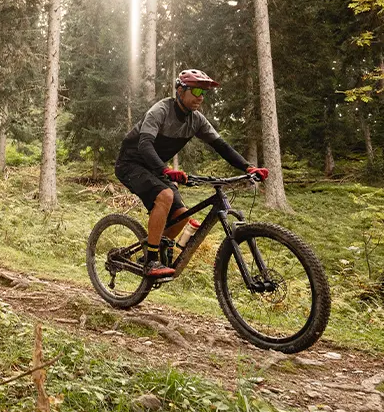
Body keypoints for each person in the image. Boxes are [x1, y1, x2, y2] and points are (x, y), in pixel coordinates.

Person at [115, 69, 269, 278]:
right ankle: (151, 261)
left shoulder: (197, 120)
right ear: (180, 90)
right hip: (130, 163)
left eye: (204, 92)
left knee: (181, 216)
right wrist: (166, 170)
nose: (200, 97)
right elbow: (144, 144)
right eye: (196, 90)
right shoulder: (160, 110)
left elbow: (221, 146)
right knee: (165, 196)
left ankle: (155, 250)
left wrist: (248, 167)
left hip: (156, 167)